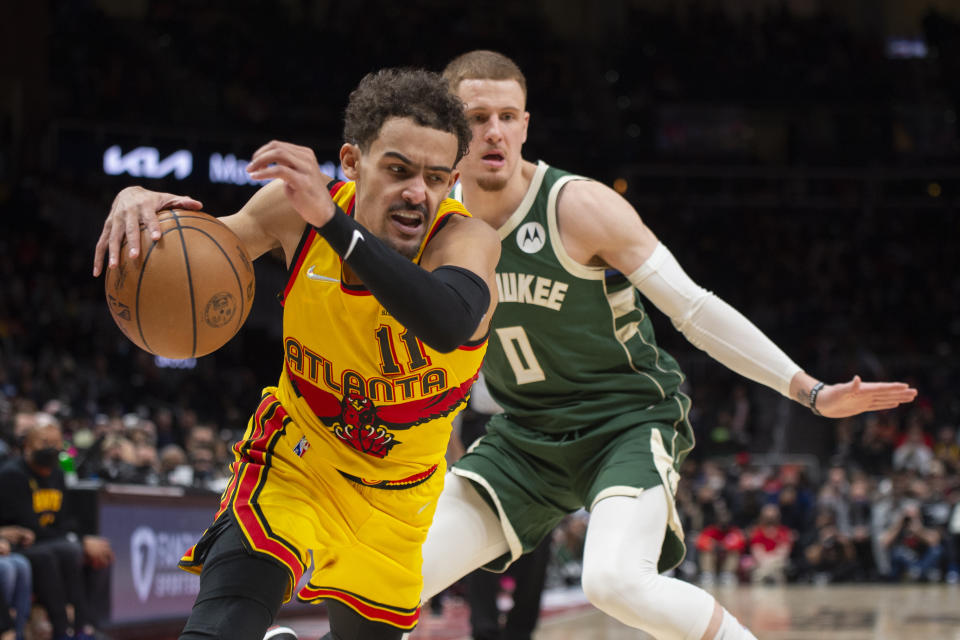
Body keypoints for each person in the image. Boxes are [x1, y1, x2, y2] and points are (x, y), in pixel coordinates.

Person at [408, 50, 919, 640]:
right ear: (446, 127)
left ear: (526, 124)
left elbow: (695, 309)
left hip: (625, 423)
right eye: (476, 117)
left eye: (508, 115)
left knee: (613, 581)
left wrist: (809, 390)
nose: (494, 131)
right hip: (523, 436)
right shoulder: (430, 225)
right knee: (396, 575)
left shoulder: (578, 206)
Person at [93, 68, 500, 640]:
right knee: (218, 627)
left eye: (436, 177)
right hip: (297, 459)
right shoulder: (292, 214)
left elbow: (447, 322)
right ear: (352, 163)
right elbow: (195, 254)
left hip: (397, 499)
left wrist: (333, 223)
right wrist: (140, 208)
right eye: (399, 169)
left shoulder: (466, 242)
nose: (418, 193)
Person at [0, 420, 114, 640]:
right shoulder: (11, 475)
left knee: (99, 553)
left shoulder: (58, 474)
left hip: (47, 542)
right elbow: (30, 528)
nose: (51, 448)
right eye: (44, 442)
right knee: (62, 552)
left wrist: (80, 539)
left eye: (55, 443)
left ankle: (85, 626)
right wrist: (77, 543)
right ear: (27, 446)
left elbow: (66, 521)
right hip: (19, 543)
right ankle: (65, 630)